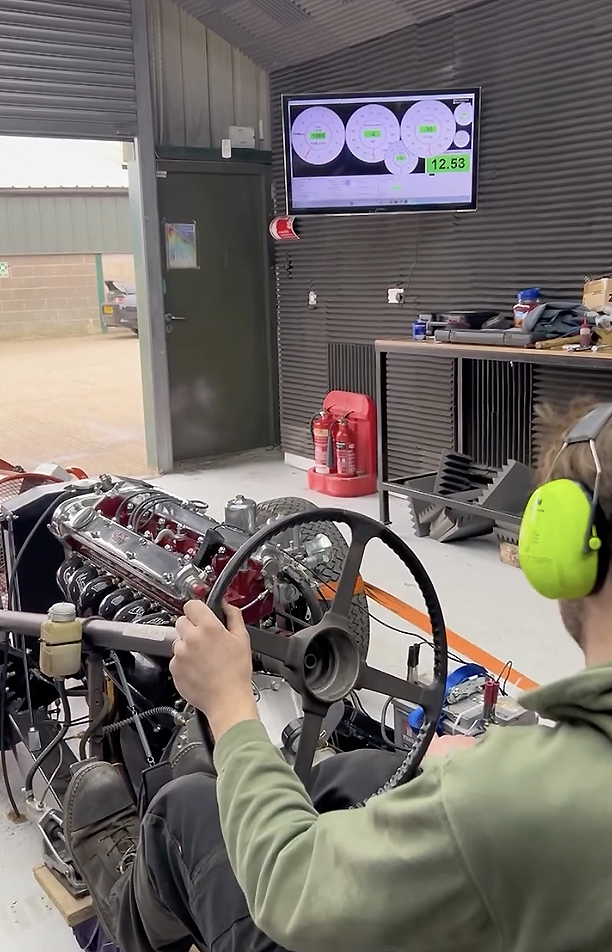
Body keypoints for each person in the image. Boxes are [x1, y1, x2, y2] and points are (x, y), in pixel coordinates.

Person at [65, 400, 612, 952]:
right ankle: (233, 787)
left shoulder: (498, 799)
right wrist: (480, 774)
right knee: (369, 773)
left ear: (562, 545)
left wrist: (229, 706)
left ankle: (123, 913)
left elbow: (290, 886)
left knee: (182, 810)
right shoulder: (547, 775)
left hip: (303, 896)